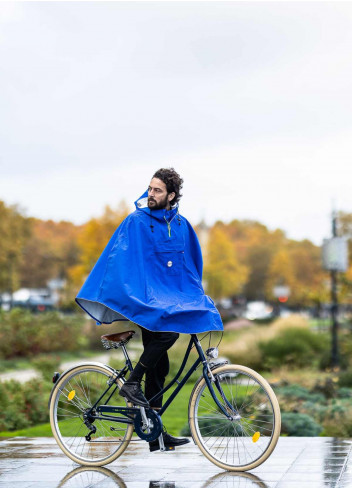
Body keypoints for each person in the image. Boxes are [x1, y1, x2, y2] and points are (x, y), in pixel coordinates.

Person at [75, 167, 223, 452]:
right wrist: (142, 295)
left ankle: (155, 433)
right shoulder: (137, 222)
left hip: (169, 299)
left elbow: (190, 268)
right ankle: (131, 383)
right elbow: (122, 262)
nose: (151, 195)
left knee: (160, 365)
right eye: (150, 189)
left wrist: (195, 297)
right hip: (144, 298)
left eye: (157, 190)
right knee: (167, 336)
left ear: (172, 195)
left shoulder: (182, 226)